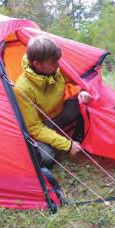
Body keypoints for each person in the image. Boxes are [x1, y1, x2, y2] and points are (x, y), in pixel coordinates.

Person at [14, 36, 92, 168]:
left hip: (59, 116)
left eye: (58, 60)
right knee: (47, 159)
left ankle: (77, 138)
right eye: (53, 62)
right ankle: (57, 142)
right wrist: (66, 145)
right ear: (37, 64)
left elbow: (79, 80)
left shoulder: (57, 70)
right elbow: (34, 128)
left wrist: (83, 92)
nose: (58, 65)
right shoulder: (22, 88)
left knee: (80, 103)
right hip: (41, 127)